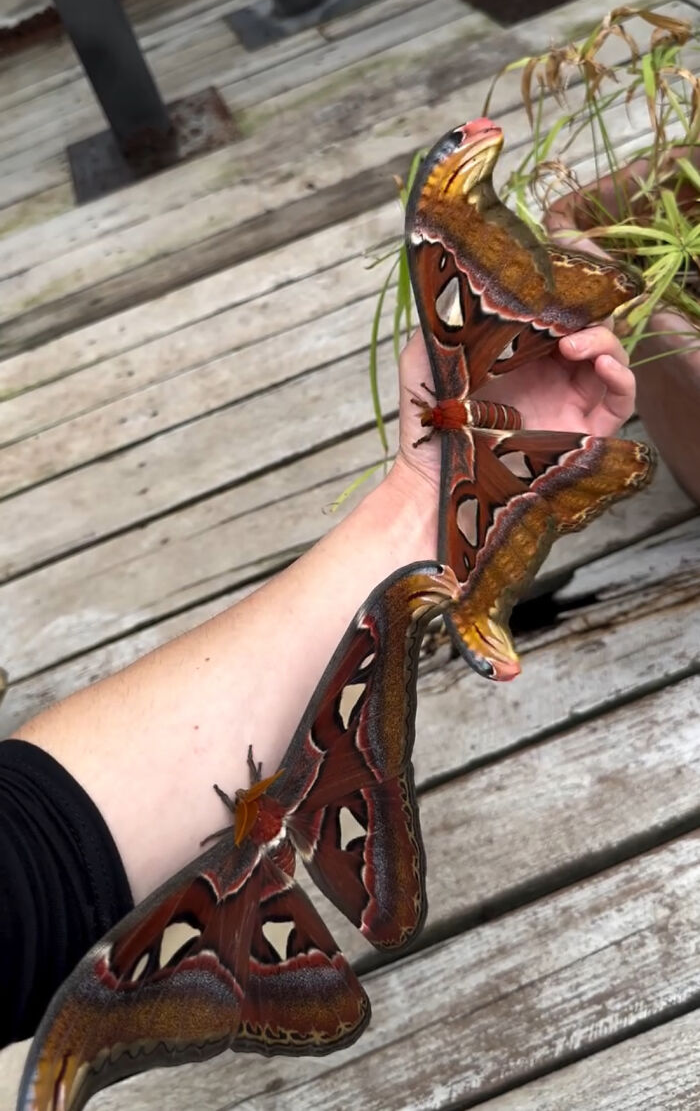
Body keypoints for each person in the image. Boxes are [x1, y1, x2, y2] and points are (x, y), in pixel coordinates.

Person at [0, 325, 636, 1046]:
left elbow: (31, 864)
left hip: (246, 832)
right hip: (285, 817)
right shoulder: (258, 815)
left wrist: (423, 504)